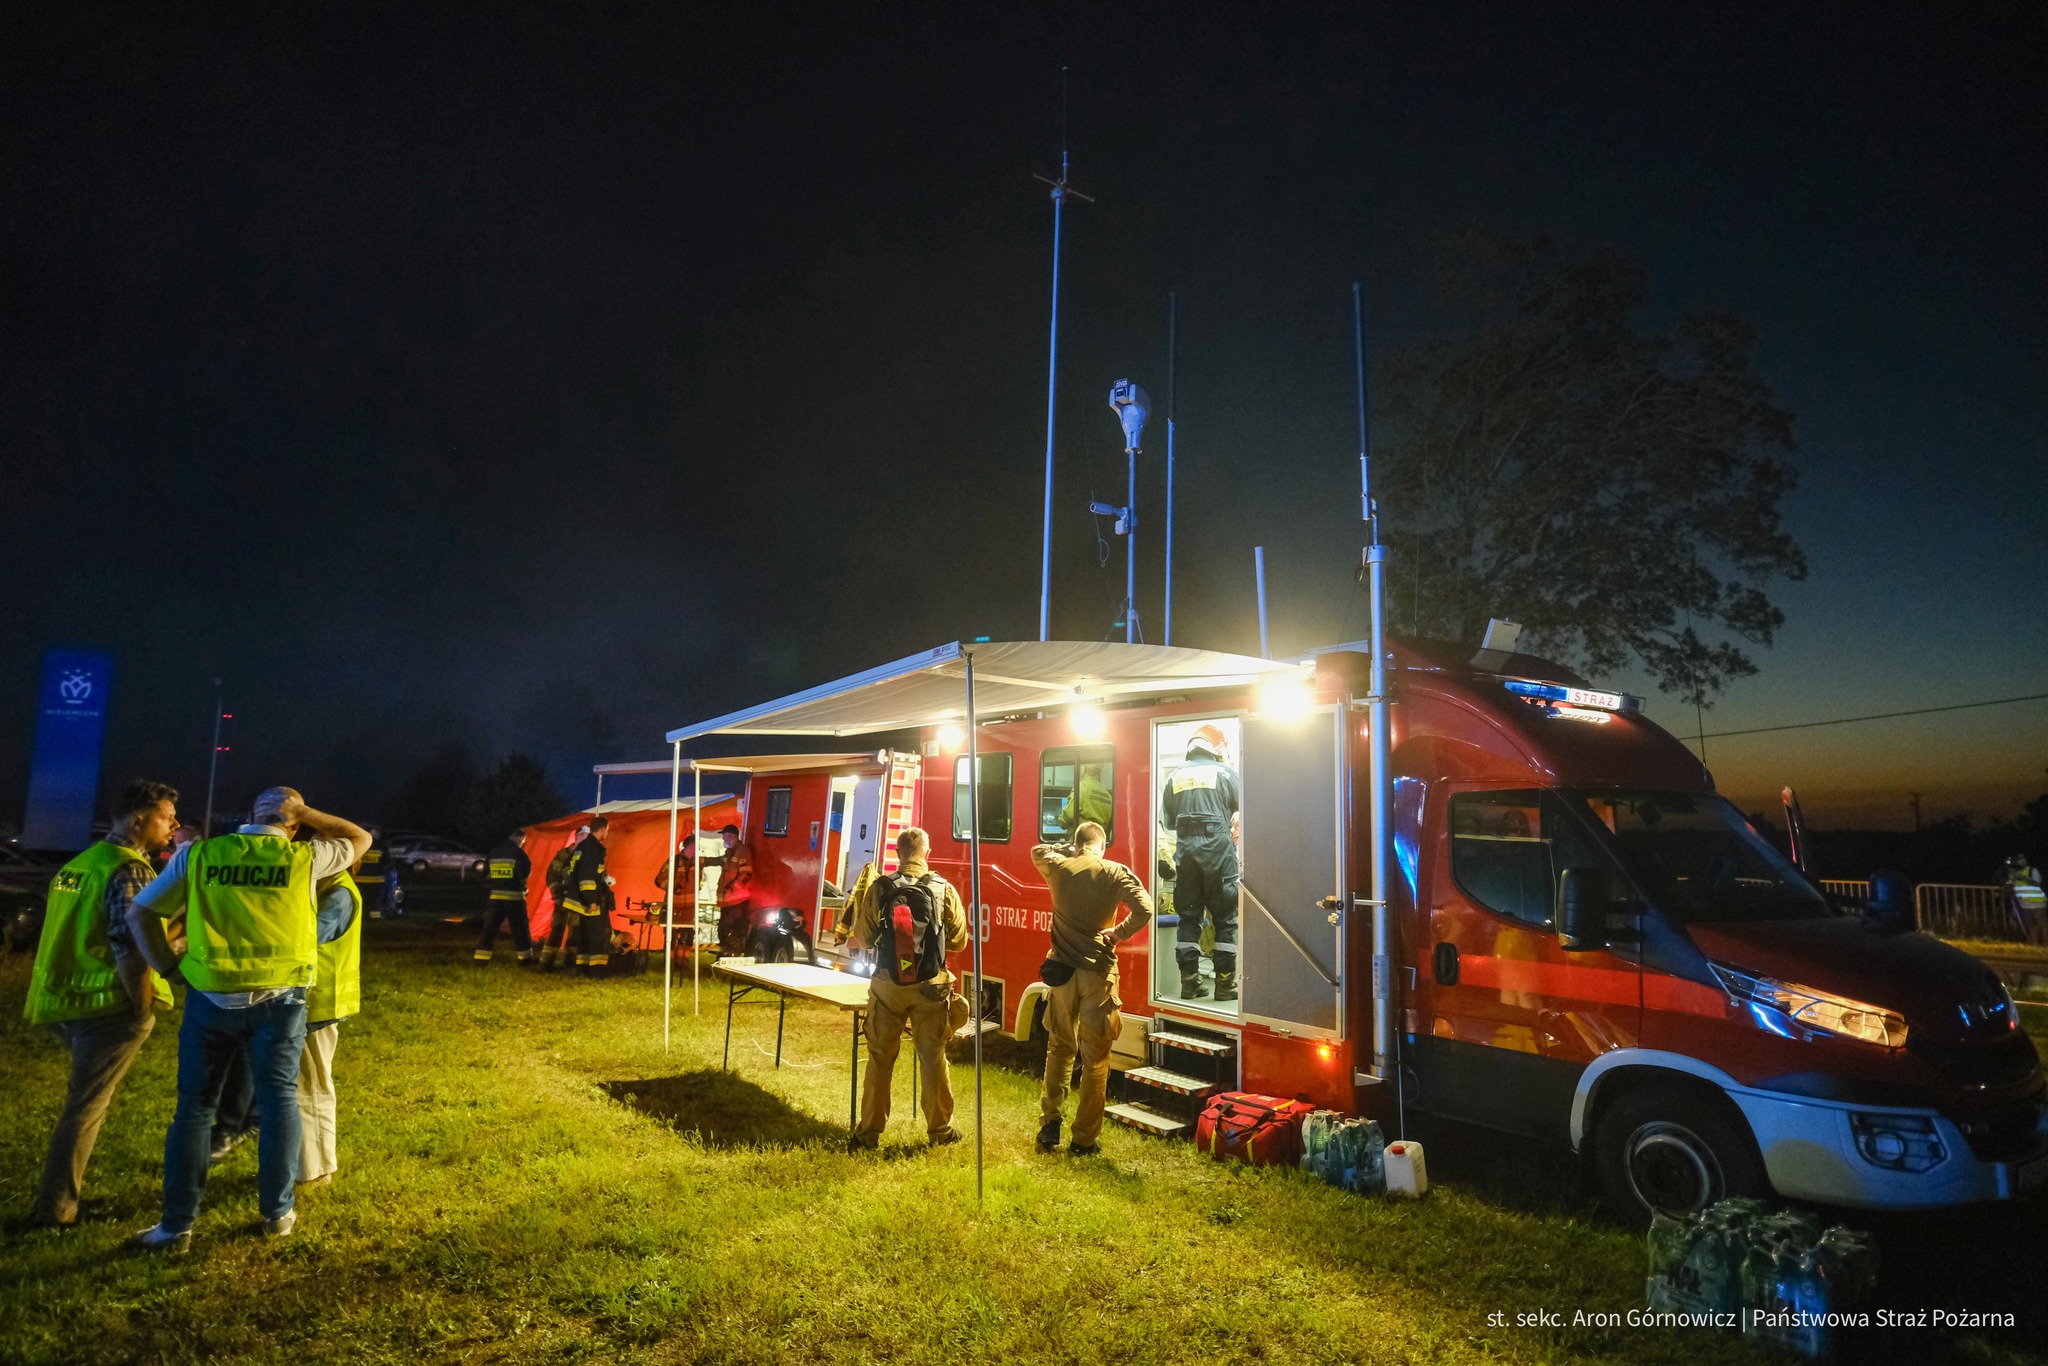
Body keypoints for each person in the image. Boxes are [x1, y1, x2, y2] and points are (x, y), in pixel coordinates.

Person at [125, 786, 371, 1250]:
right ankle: (277, 1214)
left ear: (250, 814)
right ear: (293, 825)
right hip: (279, 1001)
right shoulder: (304, 859)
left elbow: (140, 915)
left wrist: (170, 969)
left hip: (210, 998)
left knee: (195, 1109)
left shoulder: (198, 855)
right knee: (279, 1103)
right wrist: (306, 811)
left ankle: (176, 1226)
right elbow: (361, 838)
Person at [24, 779, 181, 1227]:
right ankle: (57, 1210)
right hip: (107, 1007)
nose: (175, 826)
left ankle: (58, 1204)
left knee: (84, 1102)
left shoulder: (83, 863)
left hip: (64, 1000)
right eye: (167, 818)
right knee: (86, 1108)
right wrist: (141, 1006)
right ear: (139, 820)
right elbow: (129, 947)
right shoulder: (130, 870)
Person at [1029, 821, 1151, 1156]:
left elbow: (1037, 851)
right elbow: (1145, 909)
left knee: (1059, 1048)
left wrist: (1070, 852)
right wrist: (1119, 932)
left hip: (1062, 975)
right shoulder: (1115, 872)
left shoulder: (1059, 866)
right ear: (1103, 845)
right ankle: (1083, 1140)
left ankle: (1050, 1125)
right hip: (1098, 975)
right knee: (1096, 1058)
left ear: (1077, 844)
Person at [846, 828, 968, 1150]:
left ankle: (868, 1134)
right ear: (927, 853)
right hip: (931, 987)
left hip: (889, 985)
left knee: (879, 1058)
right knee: (933, 1058)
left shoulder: (881, 887)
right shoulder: (943, 888)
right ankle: (940, 1131)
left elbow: (863, 938)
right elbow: (959, 941)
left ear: (898, 854)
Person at [1163, 725, 1242, 1002]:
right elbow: (1244, 810)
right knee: (1225, 918)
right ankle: (1225, 983)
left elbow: (1169, 821)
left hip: (1186, 854)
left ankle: (1189, 981)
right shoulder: (1225, 773)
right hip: (1219, 852)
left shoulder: (1174, 776)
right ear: (1217, 749)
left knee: (1188, 917)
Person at [296, 864, 363, 1188]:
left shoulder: (337, 894)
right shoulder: (325, 888)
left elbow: (308, 939)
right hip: (310, 999)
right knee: (301, 1086)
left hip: (317, 1002)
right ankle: (304, 1167)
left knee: (310, 1087)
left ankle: (317, 1171)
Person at [560, 816, 615, 974]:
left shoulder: (583, 846)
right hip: (592, 900)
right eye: (607, 830)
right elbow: (587, 878)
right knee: (599, 935)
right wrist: (592, 901)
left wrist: (604, 877)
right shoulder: (593, 849)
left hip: (582, 899)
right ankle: (597, 970)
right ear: (602, 829)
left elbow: (587, 872)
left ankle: (583, 968)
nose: (606, 833)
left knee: (584, 935)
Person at [474, 829, 535, 966]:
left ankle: (481, 959)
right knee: (520, 929)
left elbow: (485, 874)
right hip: (514, 898)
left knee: (489, 929)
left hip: (496, 898)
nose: (523, 844)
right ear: (520, 838)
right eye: (523, 842)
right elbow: (524, 872)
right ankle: (526, 959)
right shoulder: (518, 853)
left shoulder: (494, 852)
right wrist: (522, 886)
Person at [537, 825, 587, 969]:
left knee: (576, 931)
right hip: (562, 899)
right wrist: (557, 896)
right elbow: (552, 875)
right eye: (585, 836)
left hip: (578, 900)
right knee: (557, 930)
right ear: (578, 836)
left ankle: (570, 960)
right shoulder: (563, 855)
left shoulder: (587, 855)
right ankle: (546, 962)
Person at [713, 824, 754, 955]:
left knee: (734, 930)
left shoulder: (742, 852)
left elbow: (746, 875)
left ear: (733, 836)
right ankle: (723, 956)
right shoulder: (730, 852)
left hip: (737, 901)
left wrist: (732, 888)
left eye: (726, 836)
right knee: (723, 929)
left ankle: (732, 955)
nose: (724, 839)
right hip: (728, 901)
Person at [1056, 762, 1114, 839]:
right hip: (1098, 842)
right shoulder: (1108, 796)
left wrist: (1060, 823)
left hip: (1081, 841)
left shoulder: (1082, 788)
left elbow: (1067, 816)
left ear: (1083, 769)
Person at [2004, 854, 2046, 944]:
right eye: (2019, 860)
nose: (2021, 861)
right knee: (2031, 926)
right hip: (2024, 905)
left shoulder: (2032, 870)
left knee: (2043, 926)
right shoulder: (2014, 873)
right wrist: (2009, 885)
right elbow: (2013, 887)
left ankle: (2046, 945)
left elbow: (2036, 883)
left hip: (2038, 904)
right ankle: (2034, 945)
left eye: (2023, 859)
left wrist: (2023, 878)